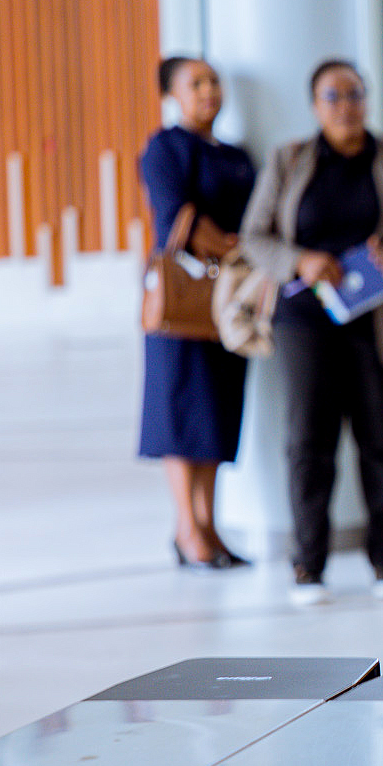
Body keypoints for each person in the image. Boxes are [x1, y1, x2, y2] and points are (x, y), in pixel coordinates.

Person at [240, 59, 383, 607]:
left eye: (354, 93)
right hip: (305, 319)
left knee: (380, 438)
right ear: (315, 105)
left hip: (380, 318)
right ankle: (309, 565)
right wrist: (300, 261)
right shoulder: (289, 160)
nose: (345, 106)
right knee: (308, 441)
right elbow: (255, 237)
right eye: (332, 96)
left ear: (368, 99)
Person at [137, 56, 258, 570]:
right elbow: (174, 216)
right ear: (172, 95)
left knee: (216, 412)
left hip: (228, 299)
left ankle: (208, 524)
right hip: (182, 299)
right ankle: (186, 527)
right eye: (196, 83)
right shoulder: (165, 146)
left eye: (214, 81)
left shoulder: (235, 154)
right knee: (181, 411)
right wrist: (229, 248)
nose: (209, 90)